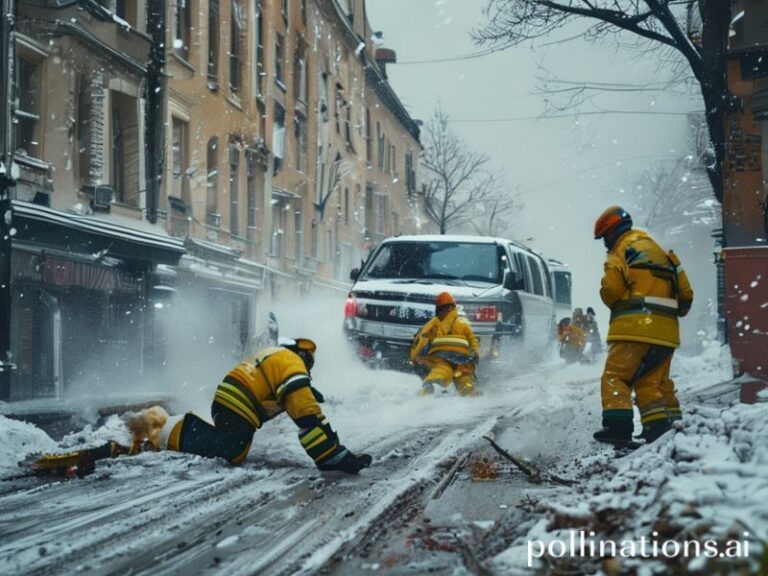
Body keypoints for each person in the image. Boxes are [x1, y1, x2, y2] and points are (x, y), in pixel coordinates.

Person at [159, 337, 372, 474]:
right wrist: (332, 452)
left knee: (230, 443)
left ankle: (175, 429)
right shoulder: (292, 361)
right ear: (304, 357)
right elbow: (304, 412)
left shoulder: (275, 354)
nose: (308, 370)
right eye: (309, 365)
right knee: (234, 450)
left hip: (227, 401)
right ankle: (172, 432)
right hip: (240, 406)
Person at [592, 206, 694, 446]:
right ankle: (663, 428)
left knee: (615, 377)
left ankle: (618, 428)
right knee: (653, 382)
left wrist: (605, 291)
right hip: (667, 334)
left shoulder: (620, 252)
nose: (605, 243)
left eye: (604, 237)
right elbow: (686, 295)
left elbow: (612, 292)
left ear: (612, 232)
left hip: (633, 330)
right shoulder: (663, 253)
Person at [410, 292, 481, 397]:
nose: (446, 311)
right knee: (463, 374)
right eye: (446, 309)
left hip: (442, 357)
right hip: (461, 357)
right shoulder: (462, 323)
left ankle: (428, 390)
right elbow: (472, 340)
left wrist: (415, 359)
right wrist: (476, 354)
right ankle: (467, 391)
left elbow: (422, 340)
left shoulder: (434, 323)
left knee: (441, 371)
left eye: (447, 309)